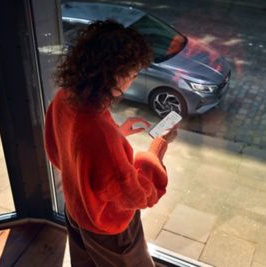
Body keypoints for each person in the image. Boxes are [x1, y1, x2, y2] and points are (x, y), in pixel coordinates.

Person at [44, 20, 177, 267]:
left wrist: (118, 132)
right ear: (117, 75)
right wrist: (157, 147)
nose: (133, 80)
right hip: (108, 228)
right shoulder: (100, 132)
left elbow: (61, 151)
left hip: (76, 210)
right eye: (134, 73)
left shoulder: (65, 98)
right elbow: (137, 195)